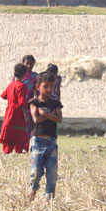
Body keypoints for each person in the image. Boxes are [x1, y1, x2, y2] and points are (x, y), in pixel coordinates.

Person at [27, 72, 63, 201]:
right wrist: (50, 114)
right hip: (38, 141)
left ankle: (48, 197)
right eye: (45, 86)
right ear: (38, 87)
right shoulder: (34, 102)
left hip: (51, 141)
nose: (49, 89)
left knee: (52, 172)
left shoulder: (55, 103)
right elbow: (36, 119)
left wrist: (45, 114)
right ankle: (33, 188)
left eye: (51, 86)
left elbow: (59, 119)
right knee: (36, 170)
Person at [0, 63, 32, 154]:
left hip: (9, 111)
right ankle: (18, 151)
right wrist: (25, 116)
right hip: (17, 113)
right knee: (19, 133)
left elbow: (3, 95)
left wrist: (11, 98)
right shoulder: (21, 86)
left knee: (9, 131)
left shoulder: (11, 84)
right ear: (25, 74)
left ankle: (7, 151)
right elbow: (22, 103)